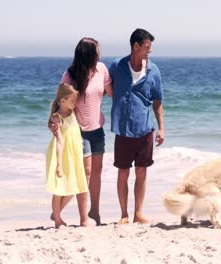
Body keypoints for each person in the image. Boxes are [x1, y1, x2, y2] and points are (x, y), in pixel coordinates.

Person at [50, 37, 113, 226]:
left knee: (97, 172)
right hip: (77, 131)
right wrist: (52, 122)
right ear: (87, 55)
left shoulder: (101, 69)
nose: (99, 55)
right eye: (97, 52)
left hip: (97, 129)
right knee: (84, 172)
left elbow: (112, 92)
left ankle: (94, 212)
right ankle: (83, 217)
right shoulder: (69, 76)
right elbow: (59, 100)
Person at [109, 28, 164, 224]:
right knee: (123, 172)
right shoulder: (117, 66)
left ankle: (138, 213)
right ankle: (124, 214)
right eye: (147, 47)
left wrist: (161, 128)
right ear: (136, 46)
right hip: (123, 130)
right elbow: (107, 88)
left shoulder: (153, 70)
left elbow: (157, 101)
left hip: (145, 130)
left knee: (142, 171)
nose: (149, 51)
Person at [46, 83, 89, 228]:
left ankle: (55, 212)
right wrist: (58, 164)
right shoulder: (57, 118)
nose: (75, 103)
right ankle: (57, 220)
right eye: (72, 100)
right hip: (61, 155)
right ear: (62, 101)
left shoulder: (72, 113)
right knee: (59, 188)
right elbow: (59, 142)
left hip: (74, 155)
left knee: (75, 186)